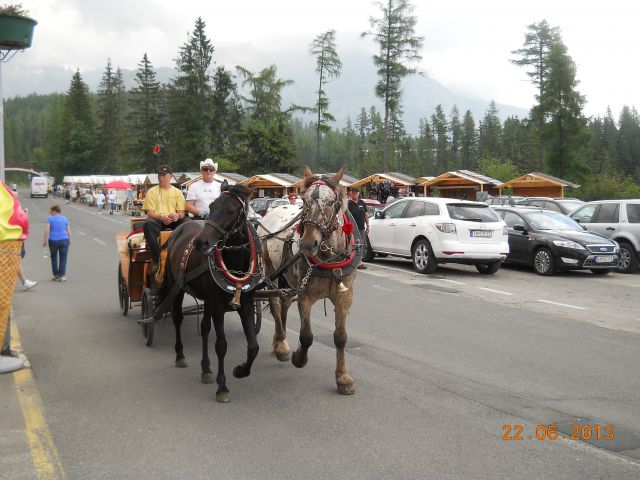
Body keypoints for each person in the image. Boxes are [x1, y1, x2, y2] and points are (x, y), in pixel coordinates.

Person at [142, 164, 188, 272]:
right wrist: (161, 217)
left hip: (173, 220)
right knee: (148, 224)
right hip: (158, 220)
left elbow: (181, 213)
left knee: (188, 223)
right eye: (159, 174)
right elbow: (150, 213)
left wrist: (177, 216)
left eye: (163, 175)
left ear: (170, 176)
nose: (160, 177)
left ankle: (185, 256)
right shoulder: (152, 191)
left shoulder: (177, 192)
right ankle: (157, 259)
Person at [43, 204, 71, 282]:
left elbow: (47, 230)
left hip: (53, 240)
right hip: (64, 240)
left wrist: (45, 241)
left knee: (53, 257)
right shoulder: (65, 218)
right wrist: (70, 239)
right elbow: (68, 230)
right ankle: (61, 276)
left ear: (55, 211)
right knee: (63, 258)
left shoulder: (49, 219)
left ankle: (55, 275)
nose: (50, 212)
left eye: (51, 211)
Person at [347, 187, 369, 269]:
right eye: (353, 192)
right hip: (352, 228)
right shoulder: (348, 204)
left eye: (356, 192)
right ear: (351, 194)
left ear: (358, 194)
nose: (355, 194)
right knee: (353, 244)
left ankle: (359, 261)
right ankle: (353, 261)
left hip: (361, 227)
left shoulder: (362, 203)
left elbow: (366, 214)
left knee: (361, 245)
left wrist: (368, 225)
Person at [17, 208, 37, 290]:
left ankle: (23, 281)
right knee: (16, 261)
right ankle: (24, 281)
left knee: (16, 261)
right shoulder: (12, 210)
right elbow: (24, 224)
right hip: (13, 240)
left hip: (17, 240)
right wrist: (26, 213)